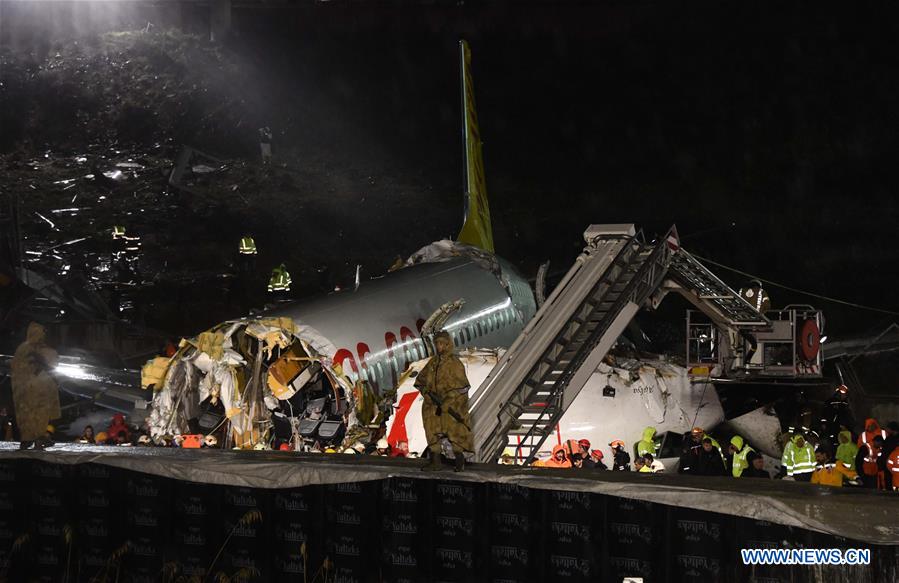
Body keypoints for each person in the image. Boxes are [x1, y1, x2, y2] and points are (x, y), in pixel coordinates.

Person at [414, 330, 473, 472]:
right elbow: (420, 381)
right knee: (431, 432)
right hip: (432, 406)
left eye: (442, 344)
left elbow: (464, 386)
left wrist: (449, 399)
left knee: (454, 432)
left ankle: (459, 461)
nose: (439, 347)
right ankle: (435, 461)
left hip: (449, 406)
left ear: (447, 345)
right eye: (437, 344)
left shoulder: (455, 364)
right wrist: (425, 392)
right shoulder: (433, 363)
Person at [10, 322, 60, 450]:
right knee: (35, 415)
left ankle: (32, 439)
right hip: (34, 391)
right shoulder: (28, 349)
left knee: (33, 416)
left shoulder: (23, 348)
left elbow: (16, 368)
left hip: (31, 391)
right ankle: (35, 439)